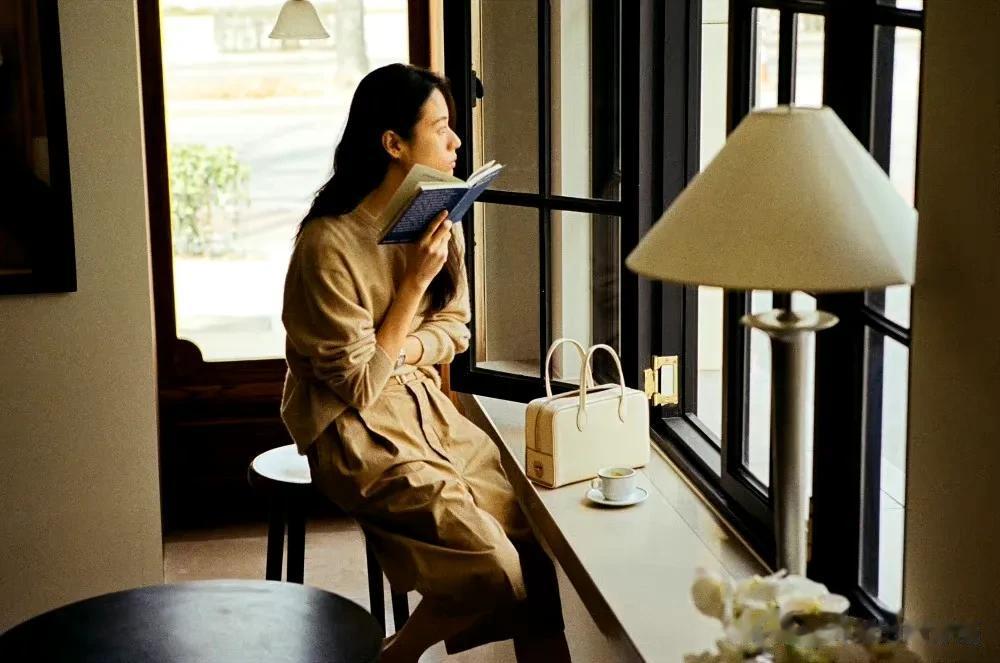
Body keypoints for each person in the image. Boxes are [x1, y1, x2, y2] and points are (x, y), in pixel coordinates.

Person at [280, 63, 572, 663]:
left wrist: (401, 348)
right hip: (354, 431)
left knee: (532, 555)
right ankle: (396, 655)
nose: (456, 142)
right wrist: (413, 286)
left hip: (426, 410)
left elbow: (456, 330)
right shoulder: (328, 246)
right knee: (492, 563)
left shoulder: (439, 221)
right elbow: (360, 385)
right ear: (394, 143)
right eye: (441, 128)